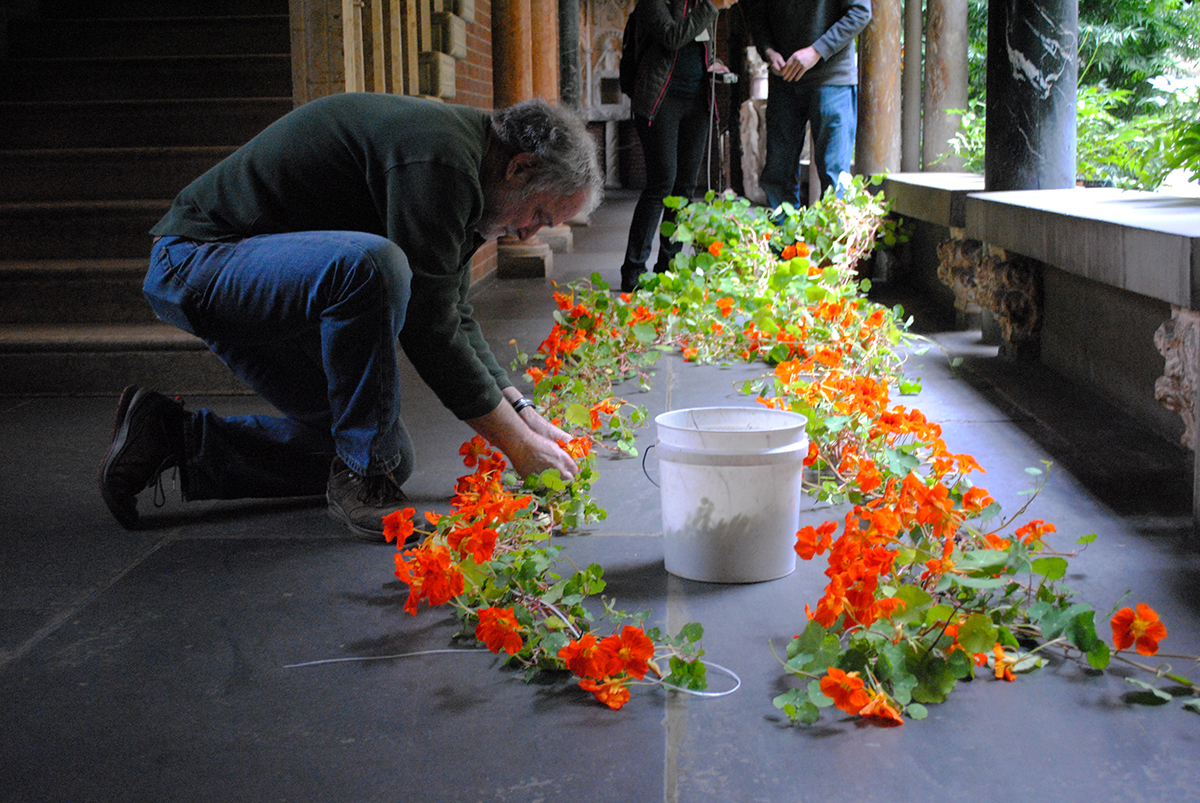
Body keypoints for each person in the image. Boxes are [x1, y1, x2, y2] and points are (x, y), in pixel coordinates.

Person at [97, 94, 603, 541]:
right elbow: (429, 326)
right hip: (198, 262)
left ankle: (171, 439)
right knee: (374, 268)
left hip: (271, 285)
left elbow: (451, 309)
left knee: (384, 454)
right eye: (540, 214)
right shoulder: (442, 158)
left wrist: (524, 415)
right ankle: (363, 482)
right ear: (520, 167)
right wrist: (519, 450)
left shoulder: (478, 175)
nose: (529, 234)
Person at [619, 0, 739, 293]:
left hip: (698, 101)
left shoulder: (700, 3)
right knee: (662, 183)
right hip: (661, 100)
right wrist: (711, 6)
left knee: (685, 187)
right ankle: (633, 269)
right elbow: (672, 37)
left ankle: (669, 267)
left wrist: (713, 63)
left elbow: (698, 43)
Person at [743, 0, 871, 208]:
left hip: (832, 78)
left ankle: (834, 236)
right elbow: (756, 14)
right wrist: (768, 50)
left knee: (835, 176)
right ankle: (784, 237)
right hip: (784, 78)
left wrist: (816, 51)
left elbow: (860, 12)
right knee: (778, 172)